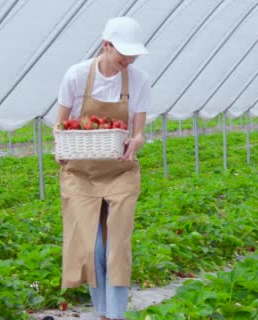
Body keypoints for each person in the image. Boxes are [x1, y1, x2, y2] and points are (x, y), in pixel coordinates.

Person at [55, 16, 151, 320]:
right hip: (81, 172)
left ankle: (117, 315)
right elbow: (61, 124)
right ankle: (102, 312)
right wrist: (59, 148)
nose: (129, 59)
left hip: (120, 170)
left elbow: (138, 132)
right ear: (106, 45)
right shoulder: (76, 75)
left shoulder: (138, 80)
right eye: (124, 52)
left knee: (117, 245)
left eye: (133, 54)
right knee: (91, 246)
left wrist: (136, 142)